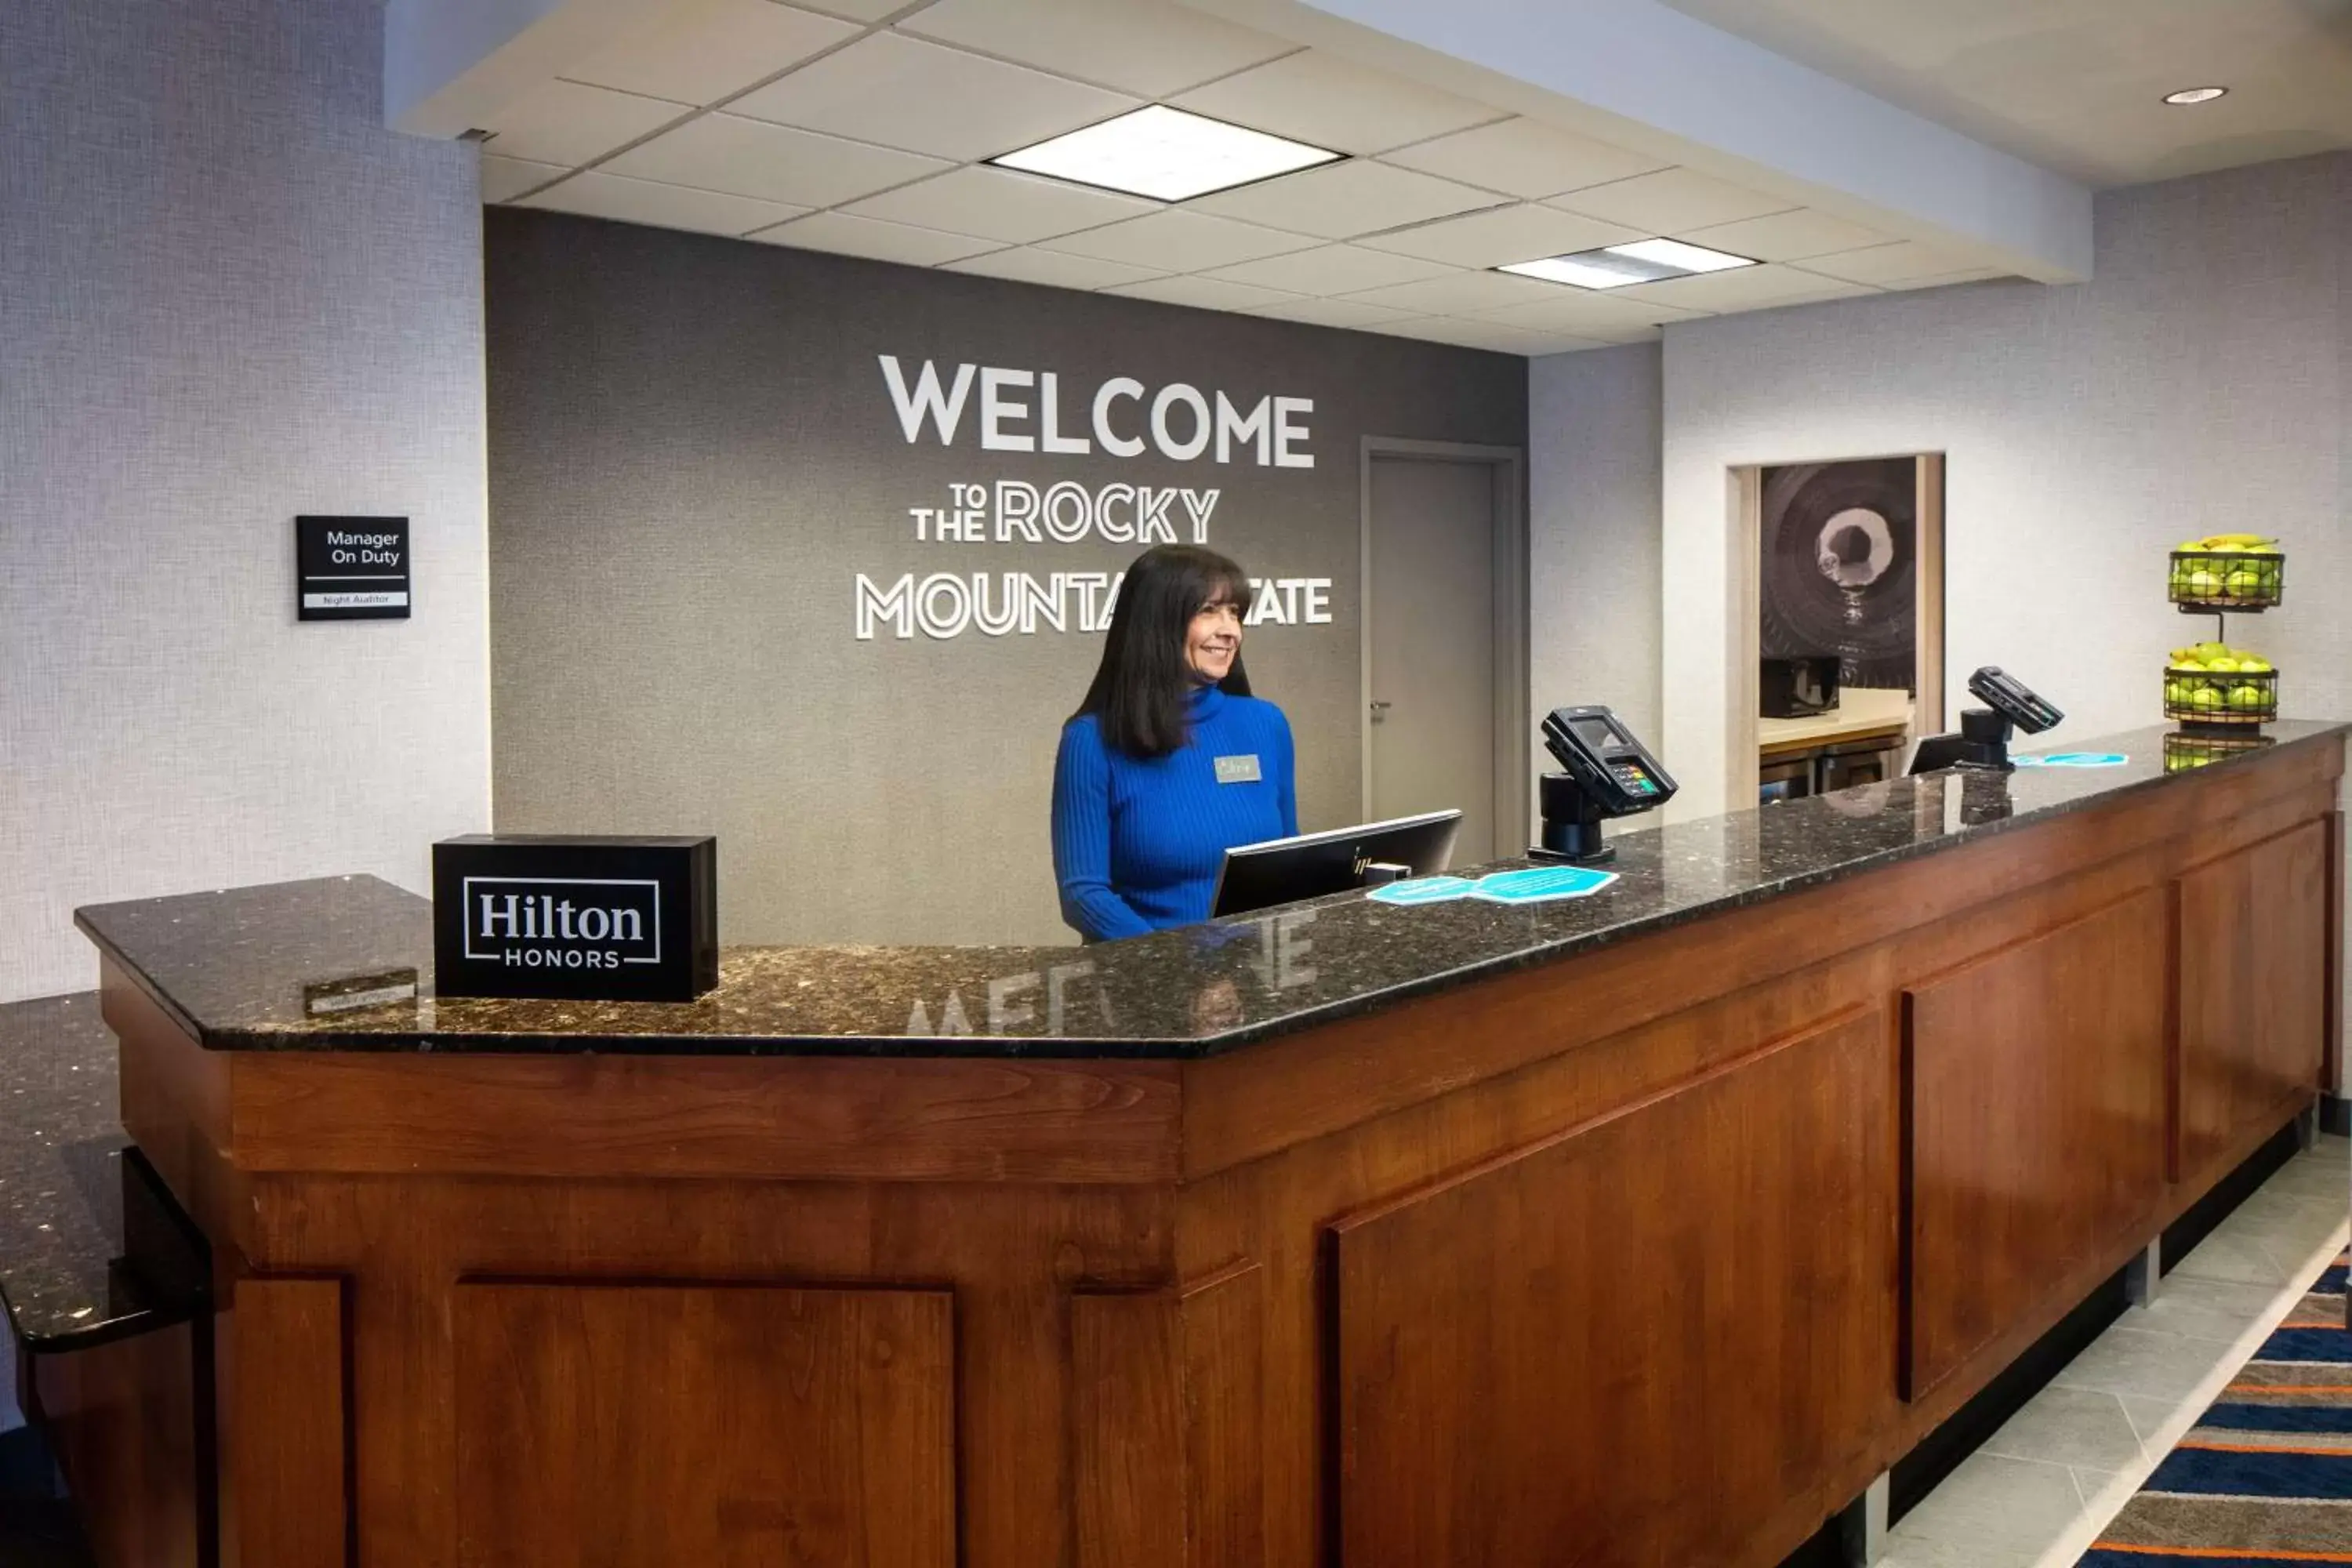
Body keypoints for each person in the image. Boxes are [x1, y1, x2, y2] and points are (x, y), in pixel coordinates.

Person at [1051, 544, 1297, 941]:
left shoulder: (1266, 723)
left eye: (1234, 612)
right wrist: (1178, 971)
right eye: (1208, 610)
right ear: (1157, 622)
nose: (1230, 630)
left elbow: (1287, 862)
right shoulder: (1091, 740)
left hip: (1249, 978)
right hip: (1148, 978)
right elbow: (1084, 896)